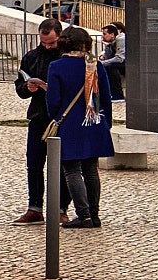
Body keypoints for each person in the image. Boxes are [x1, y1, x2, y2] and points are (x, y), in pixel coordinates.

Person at [43, 24, 112, 229]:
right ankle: (94, 213)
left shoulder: (57, 66)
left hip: (70, 125)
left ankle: (84, 216)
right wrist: (104, 122)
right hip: (94, 122)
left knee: (72, 170)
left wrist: (56, 117)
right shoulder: (95, 65)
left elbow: (53, 101)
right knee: (91, 170)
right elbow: (106, 98)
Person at [13, 17, 62, 224]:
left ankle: (60, 208)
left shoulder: (65, 58)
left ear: (60, 36)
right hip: (38, 116)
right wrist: (28, 88)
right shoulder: (32, 57)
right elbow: (20, 86)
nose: (47, 46)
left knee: (62, 165)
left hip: (60, 118)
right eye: (44, 43)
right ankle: (34, 207)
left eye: (51, 43)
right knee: (34, 163)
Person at [97, 22, 126, 122]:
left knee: (112, 67)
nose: (103, 36)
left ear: (112, 35)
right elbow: (108, 56)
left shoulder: (121, 39)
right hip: (119, 63)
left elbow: (120, 58)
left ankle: (117, 93)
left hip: (127, 64)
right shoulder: (111, 43)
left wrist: (103, 62)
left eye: (105, 34)